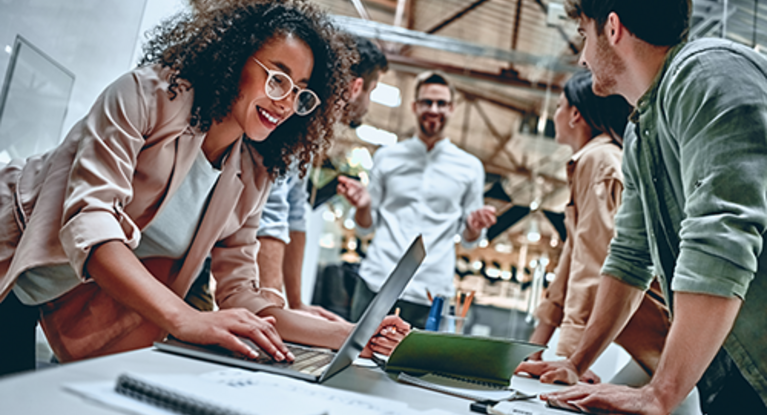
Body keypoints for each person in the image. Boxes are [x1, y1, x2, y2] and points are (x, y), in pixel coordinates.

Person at [0, 0, 408, 377]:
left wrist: (353, 335)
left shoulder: (253, 170)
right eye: (278, 79)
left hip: (60, 297)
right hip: (9, 259)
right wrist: (185, 317)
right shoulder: (145, 96)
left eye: (300, 92)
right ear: (234, 58)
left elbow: (241, 295)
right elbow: (91, 224)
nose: (285, 103)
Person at [516, 0, 767, 413]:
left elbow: (720, 239)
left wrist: (661, 392)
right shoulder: (640, 131)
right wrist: (575, 364)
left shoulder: (709, 75)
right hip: (731, 366)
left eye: (584, 35)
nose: (581, 57)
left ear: (612, 28)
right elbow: (629, 256)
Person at [523, 70, 672, 385]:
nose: (555, 113)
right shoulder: (591, 161)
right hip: (645, 339)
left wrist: (571, 360)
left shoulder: (599, 161)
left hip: (659, 336)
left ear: (576, 114)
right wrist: (533, 349)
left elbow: (594, 261)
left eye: (560, 105)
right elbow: (570, 261)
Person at [337, 71, 497, 329]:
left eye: (441, 103)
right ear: (414, 106)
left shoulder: (470, 167)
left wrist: (474, 226)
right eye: (427, 102)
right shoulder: (387, 157)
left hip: (431, 291)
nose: (434, 109)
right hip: (378, 281)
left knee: (416, 368)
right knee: (356, 361)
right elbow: (365, 226)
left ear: (452, 108)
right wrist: (364, 206)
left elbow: (470, 241)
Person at [256, 35, 388, 322]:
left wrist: (296, 304)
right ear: (356, 87)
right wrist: (274, 310)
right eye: (372, 90)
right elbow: (272, 212)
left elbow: (294, 213)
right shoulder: (294, 119)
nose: (367, 103)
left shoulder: (313, 132)